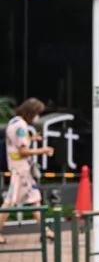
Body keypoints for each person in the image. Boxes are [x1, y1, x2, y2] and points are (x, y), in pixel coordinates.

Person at [0, 98, 55, 244]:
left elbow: (16, 144)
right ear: (31, 112)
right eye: (37, 113)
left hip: (18, 168)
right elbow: (23, 151)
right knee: (10, 202)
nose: (37, 116)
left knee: (35, 200)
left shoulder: (14, 121)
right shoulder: (21, 126)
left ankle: (46, 231)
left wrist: (32, 139)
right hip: (21, 170)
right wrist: (43, 150)